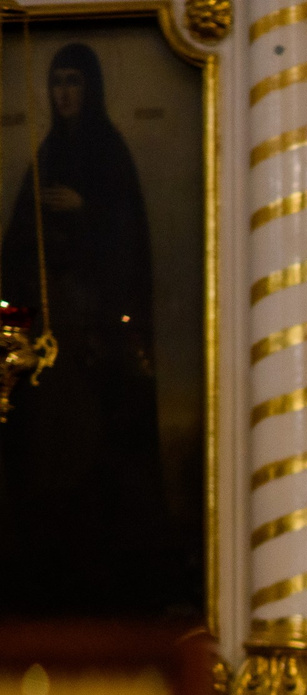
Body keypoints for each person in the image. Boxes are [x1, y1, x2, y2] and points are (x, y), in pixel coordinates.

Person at [0, 42, 184, 619]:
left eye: (74, 83)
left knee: (102, 462)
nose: (64, 95)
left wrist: (86, 210)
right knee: (46, 461)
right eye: (57, 84)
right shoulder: (46, 157)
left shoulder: (110, 155)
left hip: (100, 347)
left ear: (92, 88)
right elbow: (14, 251)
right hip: (51, 345)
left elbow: (128, 247)